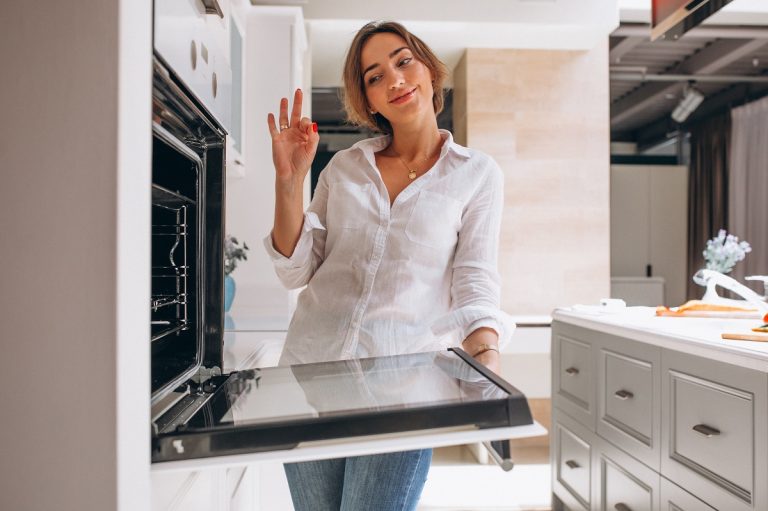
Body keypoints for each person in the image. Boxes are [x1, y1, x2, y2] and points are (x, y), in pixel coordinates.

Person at [264, 20, 513, 511]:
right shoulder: (344, 168)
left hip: (403, 392)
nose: (395, 80)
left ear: (427, 69)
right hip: (310, 379)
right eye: (375, 76)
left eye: (403, 62)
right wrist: (289, 181)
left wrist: (485, 351)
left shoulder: (477, 174)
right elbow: (296, 270)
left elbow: (475, 277)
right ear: (368, 101)